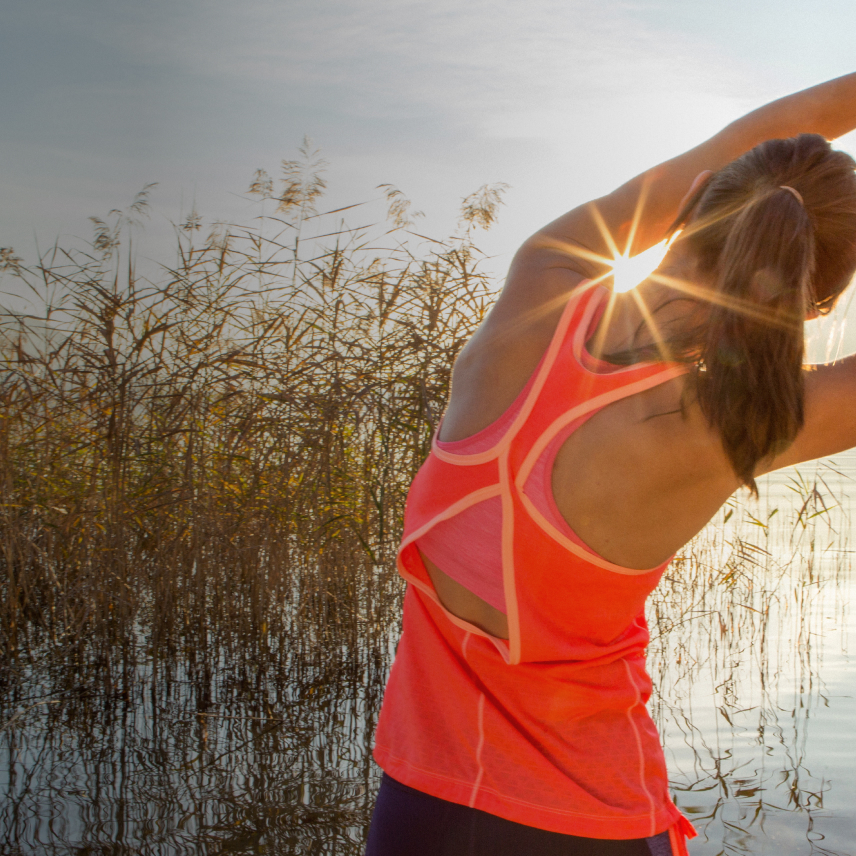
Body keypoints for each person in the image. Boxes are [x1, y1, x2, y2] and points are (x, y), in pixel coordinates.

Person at [366, 72, 856, 856]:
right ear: (816, 305)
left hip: (419, 810)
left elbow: (766, 134)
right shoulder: (727, 429)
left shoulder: (543, 276)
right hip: (589, 824)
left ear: (696, 200)